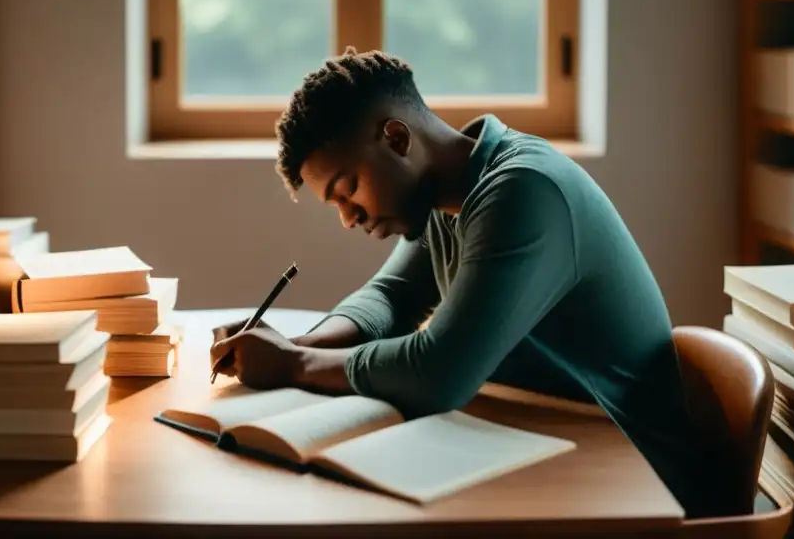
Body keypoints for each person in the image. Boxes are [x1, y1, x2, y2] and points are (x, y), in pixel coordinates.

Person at [210, 47, 718, 517]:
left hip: (636, 480)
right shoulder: (444, 194)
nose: (349, 219)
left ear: (395, 138)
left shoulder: (523, 191)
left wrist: (294, 364)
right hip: (542, 441)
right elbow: (391, 296)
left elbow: (438, 373)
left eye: (350, 191)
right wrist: (297, 344)